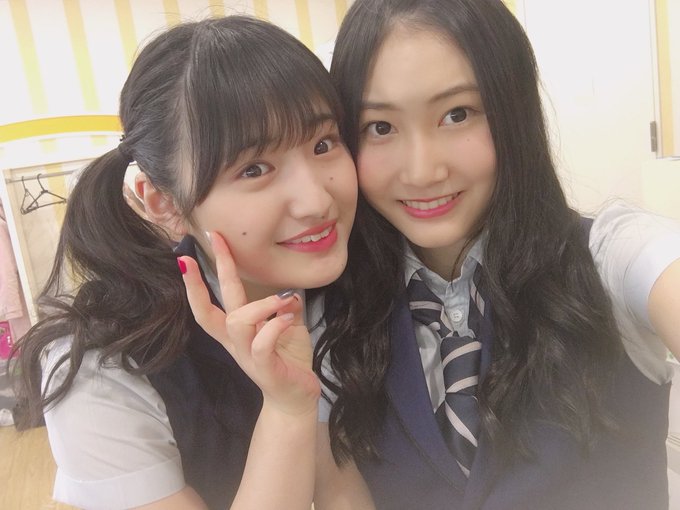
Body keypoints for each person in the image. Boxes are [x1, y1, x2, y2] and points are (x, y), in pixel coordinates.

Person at [315, 0, 680, 508]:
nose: (421, 171)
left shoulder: (607, 258)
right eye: (380, 126)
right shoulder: (338, 316)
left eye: (457, 114)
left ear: (514, 113)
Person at [12, 15, 363, 510]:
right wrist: (287, 410)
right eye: (254, 169)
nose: (317, 201)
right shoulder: (101, 368)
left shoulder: (372, 278)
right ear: (164, 203)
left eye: (323, 144)